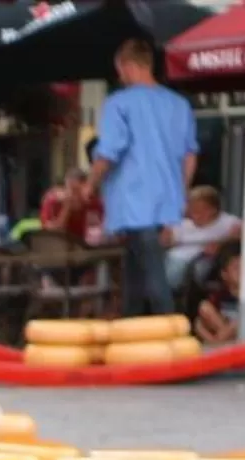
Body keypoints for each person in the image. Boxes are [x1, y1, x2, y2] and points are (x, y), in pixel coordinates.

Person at [90, 39, 197, 318]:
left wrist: (89, 185)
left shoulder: (118, 104)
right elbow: (190, 156)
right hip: (167, 203)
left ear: (128, 66)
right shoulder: (179, 104)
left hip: (134, 202)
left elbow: (109, 152)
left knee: (151, 278)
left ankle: (169, 336)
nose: (119, 77)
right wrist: (180, 194)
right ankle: (132, 331)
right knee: (136, 276)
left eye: (120, 70)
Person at [163, 186, 240, 297]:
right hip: (176, 260)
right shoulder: (183, 223)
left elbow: (242, 238)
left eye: (198, 210)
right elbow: (165, 242)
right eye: (191, 209)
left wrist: (222, 245)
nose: (193, 213)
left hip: (205, 261)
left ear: (212, 210)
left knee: (199, 269)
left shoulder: (229, 223)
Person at [39, 164, 97, 243]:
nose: (74, 196)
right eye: (72, 190)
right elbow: (52, 234)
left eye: (77, 191)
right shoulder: (52, 201)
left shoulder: (92, 203)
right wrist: (66, 208)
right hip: (57, 246)